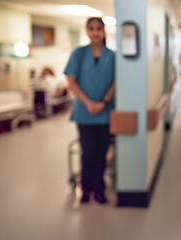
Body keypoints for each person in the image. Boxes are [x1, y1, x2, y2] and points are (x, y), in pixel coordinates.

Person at [64, 17, 115, 204]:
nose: (95, 32)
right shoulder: (78, 53)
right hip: (84, 112)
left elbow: (116, 82)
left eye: (98, 29)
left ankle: (99, 189)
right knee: (88, 151)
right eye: (91, 29)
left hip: (104, 111)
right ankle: (86, 189)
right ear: (87, 31)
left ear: (104, 31)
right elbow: (71, 81)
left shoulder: (112, 56)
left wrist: (103, 101)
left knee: (102, 152)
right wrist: (88, 102)